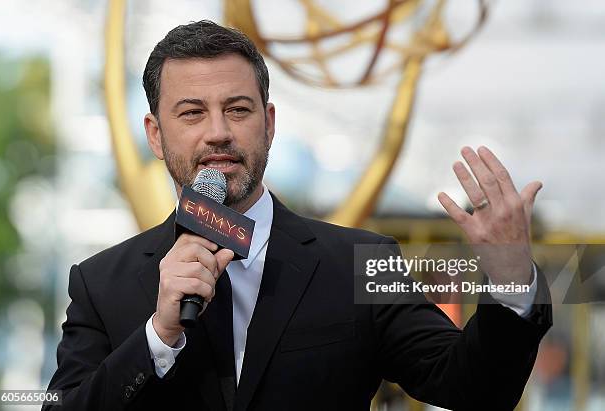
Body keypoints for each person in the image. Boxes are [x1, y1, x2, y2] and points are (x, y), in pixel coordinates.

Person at [44, 20, 552, 411]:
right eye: (192, 112)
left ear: (268, 124)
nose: (218, 131)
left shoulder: (362, 262)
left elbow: (475, 387)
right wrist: (159, 336)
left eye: (238, 110)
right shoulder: (99, 283)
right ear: (155, 134)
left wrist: (510, 279)